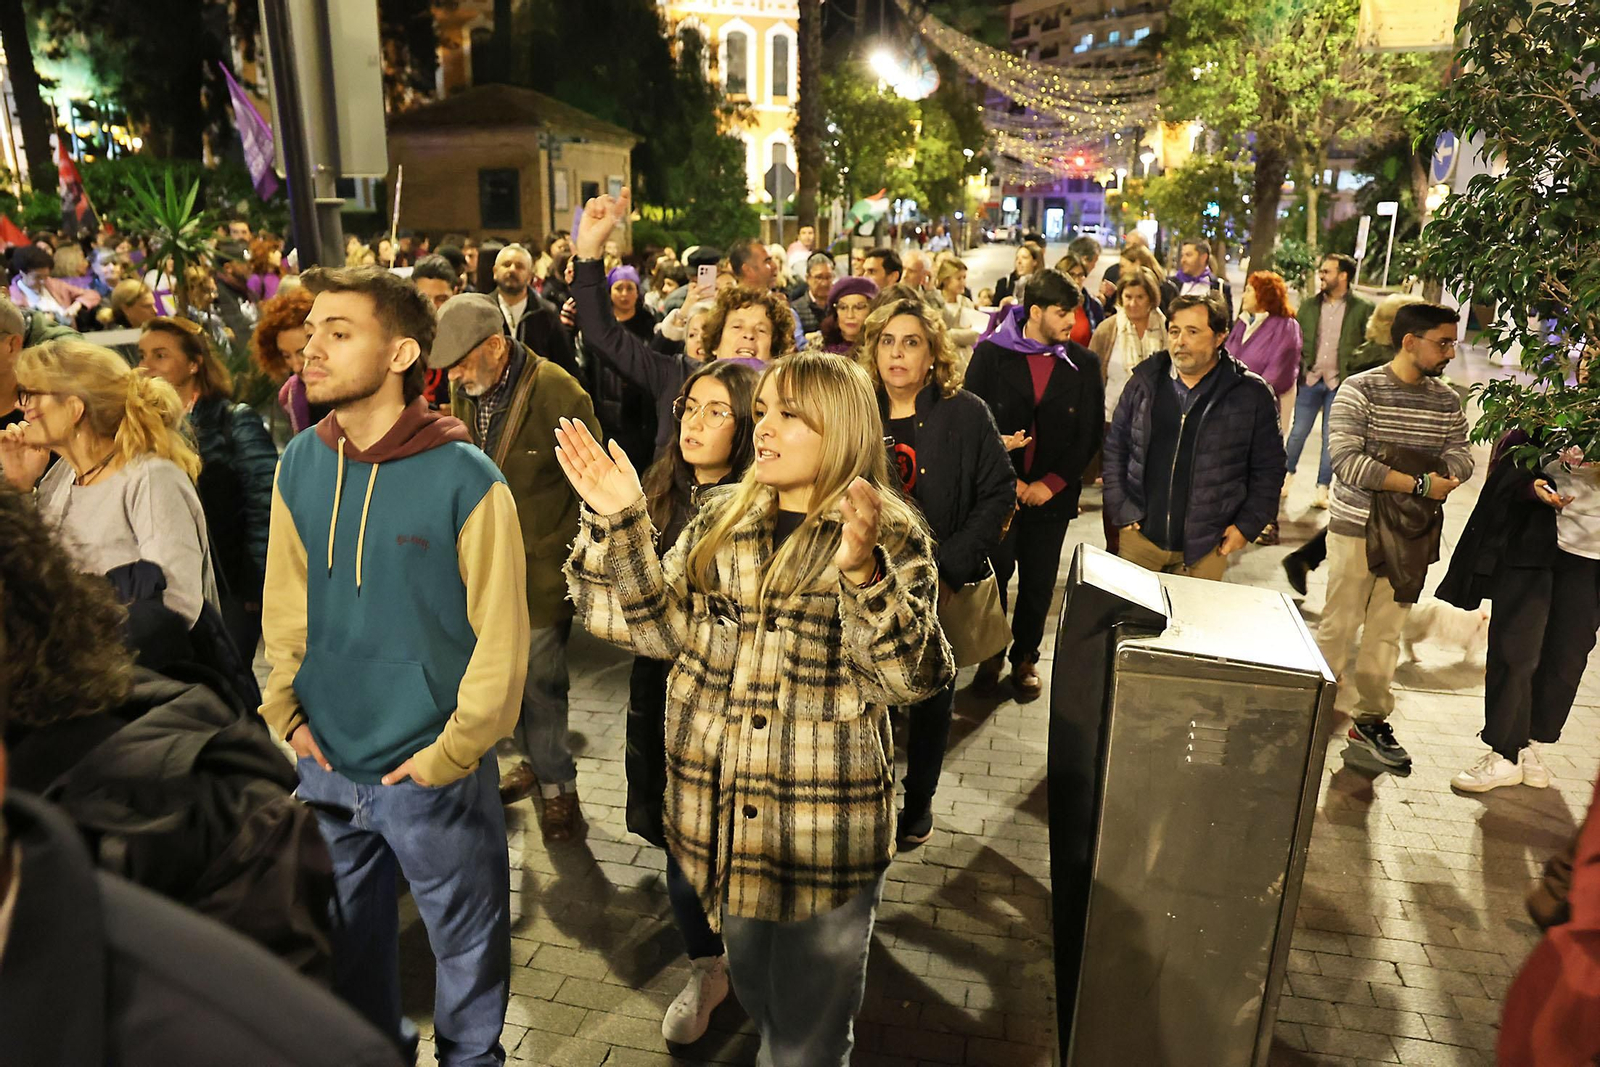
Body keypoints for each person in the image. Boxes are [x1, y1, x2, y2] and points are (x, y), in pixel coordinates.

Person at [560, 351, 954, 1067]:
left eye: (788, 415)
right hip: (716, 825)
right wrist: (619, 520)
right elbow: (649, 628)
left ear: (838, 428)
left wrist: (865, 576)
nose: (763, 429)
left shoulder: (890, 533)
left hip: (818, 840)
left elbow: (913, 677)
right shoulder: (724, 512)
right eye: (763, 410)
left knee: (806, 1039)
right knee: (756, 988)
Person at [256, 266, 530, 1064]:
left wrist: (451, 752)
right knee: (348, 952)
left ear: (404, 351)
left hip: (430, 771)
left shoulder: (467, 478)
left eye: (340, 332)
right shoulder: (302, 461)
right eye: (313, 331)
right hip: (328, 763)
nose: (313, 348)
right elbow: (286, 609)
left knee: (468, 952)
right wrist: (288, 715)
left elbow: (501, 639)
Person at [620, 359, 759, 1044]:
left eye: (715, 411)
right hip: (660, 694)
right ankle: (707, 966)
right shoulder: (659, 488)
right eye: (689, 407)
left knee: (741, 849)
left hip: (737, 712)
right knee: (677, 848)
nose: (694, 424)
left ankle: (756, 965)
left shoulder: (759, 508)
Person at [429, 292, 601, 842]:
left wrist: (567, 561)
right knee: (508, 685)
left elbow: (594, 485)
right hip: (483, 573)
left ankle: (559, 790)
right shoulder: (467, 385)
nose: (453, 375)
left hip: (539, 575)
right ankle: (534, 762)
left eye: (461, 361)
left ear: (497, 347)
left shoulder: (557, 391)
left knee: (541, 689)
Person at [861, 296, 1014, 843]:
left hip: (937, 585)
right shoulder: (857, 413)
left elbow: (997, 493)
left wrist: (948, 570)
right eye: (886, 342)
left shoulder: (965, 412)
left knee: (931, 695)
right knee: (866, 693)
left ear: (932, 354)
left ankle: (918, 800)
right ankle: (865, 796)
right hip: (865, 582)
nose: (897, 354)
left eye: (911, 342)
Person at [1317, 302, 1472, 770]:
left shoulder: (1445, 400)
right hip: (1357, 528)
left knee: (1386, 634)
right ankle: (1309, 704)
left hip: (1411, 535)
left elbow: (1461, 456)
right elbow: (1347, 462)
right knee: (1338, 627)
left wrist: (1409, 468)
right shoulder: (1359, 390)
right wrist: (1420, 482)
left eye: (1452, 341)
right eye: (1442, 341)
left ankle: (1370, 720)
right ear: (1410, 341)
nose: (1450, 351)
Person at [1, 339, 217, 629]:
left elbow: (177, 604)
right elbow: (27, 579)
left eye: (30, 394)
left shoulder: (150, 479)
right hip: (72, 667)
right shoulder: (62, 476)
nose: (19, 405)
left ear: (75, 407)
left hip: (134, 669)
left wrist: (82, 651)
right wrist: (20, 486)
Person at [1436, 425, 1598, 793]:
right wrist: (1531, 488)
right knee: (1515, 650)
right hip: (1532, 548)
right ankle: (1504, 752)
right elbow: (1504, 477)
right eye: (1586, 361)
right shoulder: (1545, 421)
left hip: (1591, 560)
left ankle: (1534, 745)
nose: (1589, 367)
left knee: (1567, 657)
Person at [964, 269, 1103, 696]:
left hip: (1052, 497)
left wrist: (1051, 483)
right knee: (996, 574)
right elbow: (971, 419)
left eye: (1074, 313)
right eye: (1063, 313)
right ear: (1036, 311)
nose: (1071, 323)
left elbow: (1090, 433)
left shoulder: (1083, 363)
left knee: (1039, 581)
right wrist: (1010, 479)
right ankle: (991, 651)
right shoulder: (991, 355)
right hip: (998, 492)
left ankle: (1025, 657)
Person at [1102, 293, 1285, 582]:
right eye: (1174, 331)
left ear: (1220, 337)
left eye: (1192, 331)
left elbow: (1270, 469)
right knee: (1132, 624)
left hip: (1207, 547)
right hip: (1141, 540)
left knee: (1190, 625)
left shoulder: (1250, 395)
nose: (1180, 341)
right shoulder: (1145, 382)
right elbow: (1116, 447)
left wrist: (1247, 526)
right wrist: (1121, 507)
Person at [138, 317, 278, 656]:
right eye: (143, 355)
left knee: (230, 680)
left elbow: (266, 504)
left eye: (160, 355)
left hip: (229, 585)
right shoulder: (142, 428)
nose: (147, 366)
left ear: (193, 363)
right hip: (172, 584)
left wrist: (254, 586)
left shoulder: (232, 419)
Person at [1280, 293, 1423, 593]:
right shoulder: (1382, 364)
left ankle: (1304, 559)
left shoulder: (1372, 354)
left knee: (1362, 524)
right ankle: (1307, 561)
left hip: (1376, 464)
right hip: (1373, 464)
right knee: (1360, 525)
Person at [1286, 253, 1374, 509]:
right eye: (1321, 271)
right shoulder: (1309, 305)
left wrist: (1355, 367)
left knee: (1331, 438)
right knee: (1298, 432)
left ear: (1343, 275)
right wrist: (1301, 365)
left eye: (1327, 271)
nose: (1321, 276)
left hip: (1341, 382)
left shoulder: (1363, 308)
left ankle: (1322, 488)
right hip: (1310, 379)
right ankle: (1285, 477)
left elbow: (1370, 343)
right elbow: (1297, 338)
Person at [1088, 266, 1167, 554]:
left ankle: (1144, 545)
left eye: (1139, 297)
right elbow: (1093, 376)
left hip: (1155, 424)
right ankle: (1115, 546)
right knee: (1115, 488)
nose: (1133, 303)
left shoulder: (1166, 329)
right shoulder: (1110, 330)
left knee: (1148, 486)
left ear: (1151, 299)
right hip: (1114, 421)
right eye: (1127, 297)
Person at [1225, 271, 1304, 545]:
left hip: (1267, 407)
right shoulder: (1242, 323)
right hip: (1232, 405)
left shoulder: (1286, 326)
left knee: (1263, 464)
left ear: (1264, 296)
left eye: (1249, 290)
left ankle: (1267, 524)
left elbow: (1280, 371)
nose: (1244, 294)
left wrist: (1246, 393)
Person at [490, 243, 582, 381]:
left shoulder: (546, 313)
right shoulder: (483, 311)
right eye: (507, 264)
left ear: (530, 276)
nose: (512, 270)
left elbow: (564, 364)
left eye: (520, 266)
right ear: (495, 272)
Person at [252, 286, 326, 435]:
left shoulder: (357, 387)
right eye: (286, 356)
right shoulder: (290, 397)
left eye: (302, 353)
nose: (296, 366)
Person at [9, 245, 98, 330]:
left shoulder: (55, 285)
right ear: (22, 272)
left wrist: (77, 305)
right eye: (38, 277)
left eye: (46, 276)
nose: (43, 281)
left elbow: (92, 294)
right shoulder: (13, 298)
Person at [211, 240, 260, 346]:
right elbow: (240, 335)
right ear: (228, 268)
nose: (250, 267)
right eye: (244, 263)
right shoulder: (220, 295)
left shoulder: (244, 290)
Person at [1172, 237, 1234, 320]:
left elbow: (1226, 323)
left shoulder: (1221, 287)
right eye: (1182, 255)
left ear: (1203, 258)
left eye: (1188, 255)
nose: (1183, 260)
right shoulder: (1171, 285)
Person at [815, 276, 877, 356]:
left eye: (859, 307)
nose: (850, 315)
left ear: (872, 310)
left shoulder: (878, 350)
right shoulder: (818, 348)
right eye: (843, 307)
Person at [791, 252, 835, 334]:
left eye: (828, 277)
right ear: (808, 278)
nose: (824, 283)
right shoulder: (796, 309)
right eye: (819, 277)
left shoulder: (838, 306)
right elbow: (799, 342)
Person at [992, 241, 1042, 306]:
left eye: (1024, 258)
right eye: (1017, 258)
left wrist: (1015, 302)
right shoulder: (1004, 283)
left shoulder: (1042, 286)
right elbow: (994, 310)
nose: (1019, 261)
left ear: (1035, 262)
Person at [247, 235, 285, 302]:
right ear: (263, 255)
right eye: (273, 252)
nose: (279, 254)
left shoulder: (280, 274)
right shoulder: (255, 280)